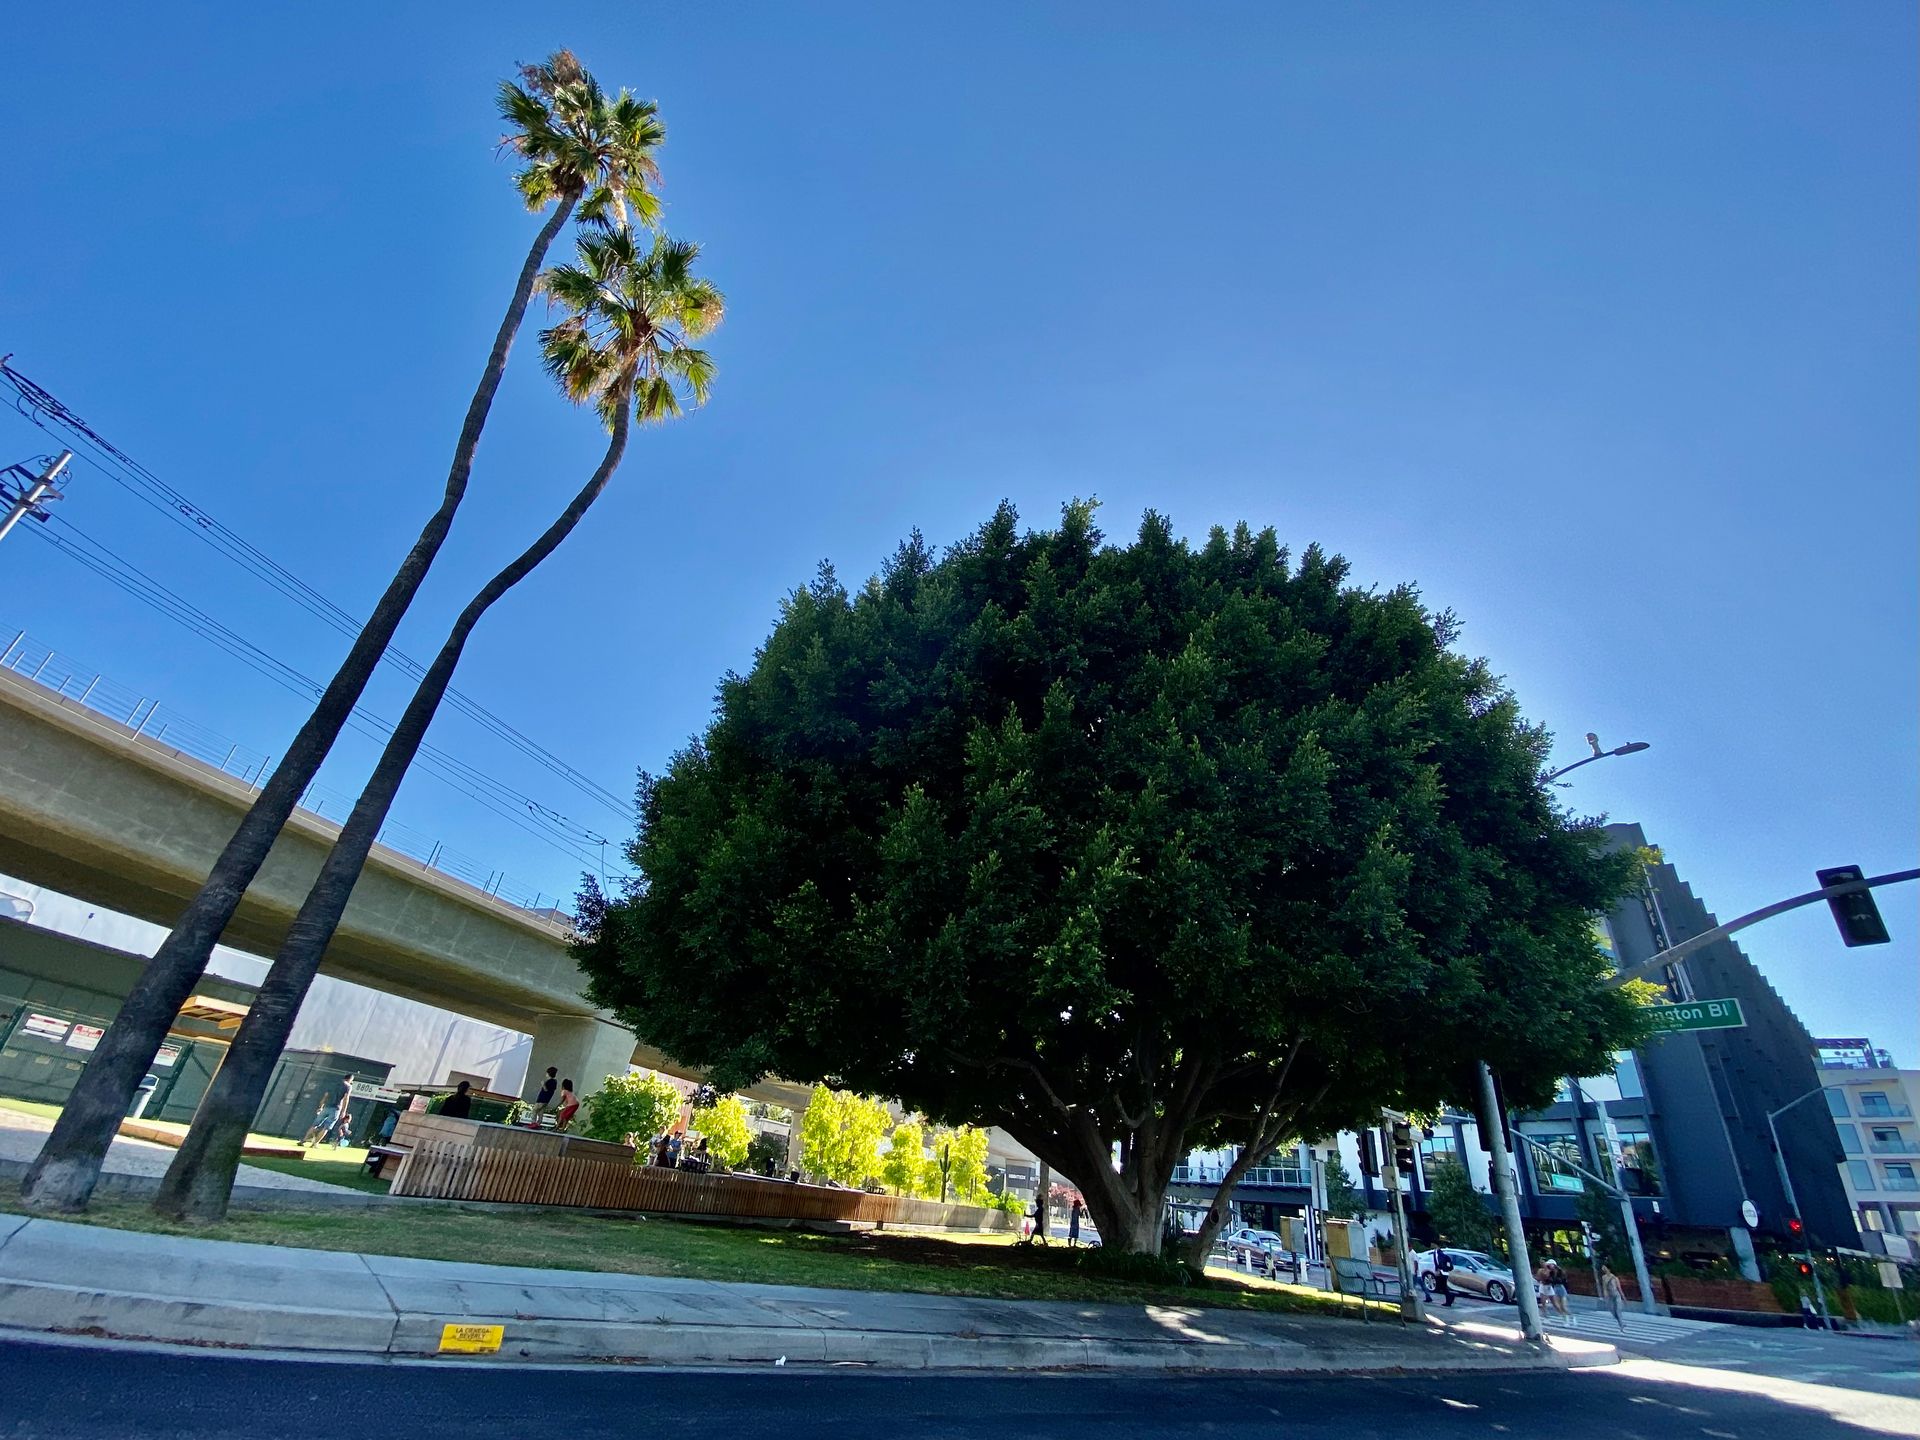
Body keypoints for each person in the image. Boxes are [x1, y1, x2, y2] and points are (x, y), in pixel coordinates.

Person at [1599, 1264, 1627, 1331]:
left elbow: (1619, 1288)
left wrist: (1624, 1297)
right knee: (1613, 1312)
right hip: (1610, 1296)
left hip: (1616, 1295)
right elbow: (1604, 1288)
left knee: (1618, 1311)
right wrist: (1605, 1296)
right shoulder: (1604, 1277)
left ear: (1608, 1269)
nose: (1603, 1268)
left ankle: (1621, 1325)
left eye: (1604, 1267)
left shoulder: (1614, 1278)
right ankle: (1621, 1322)